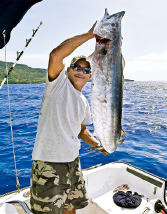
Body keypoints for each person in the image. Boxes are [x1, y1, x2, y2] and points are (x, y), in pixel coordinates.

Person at [30, 23, 108, 214]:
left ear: (90, 76)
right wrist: (90, 35)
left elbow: (81, 130)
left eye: (86, 70)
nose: (81, 72)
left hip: (73, 163)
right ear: (68, 70)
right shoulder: (57, 85)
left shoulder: (83, 101)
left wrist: (99, 144)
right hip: (49, 164)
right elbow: (55, 55)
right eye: (77, 67)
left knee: (71, 208)